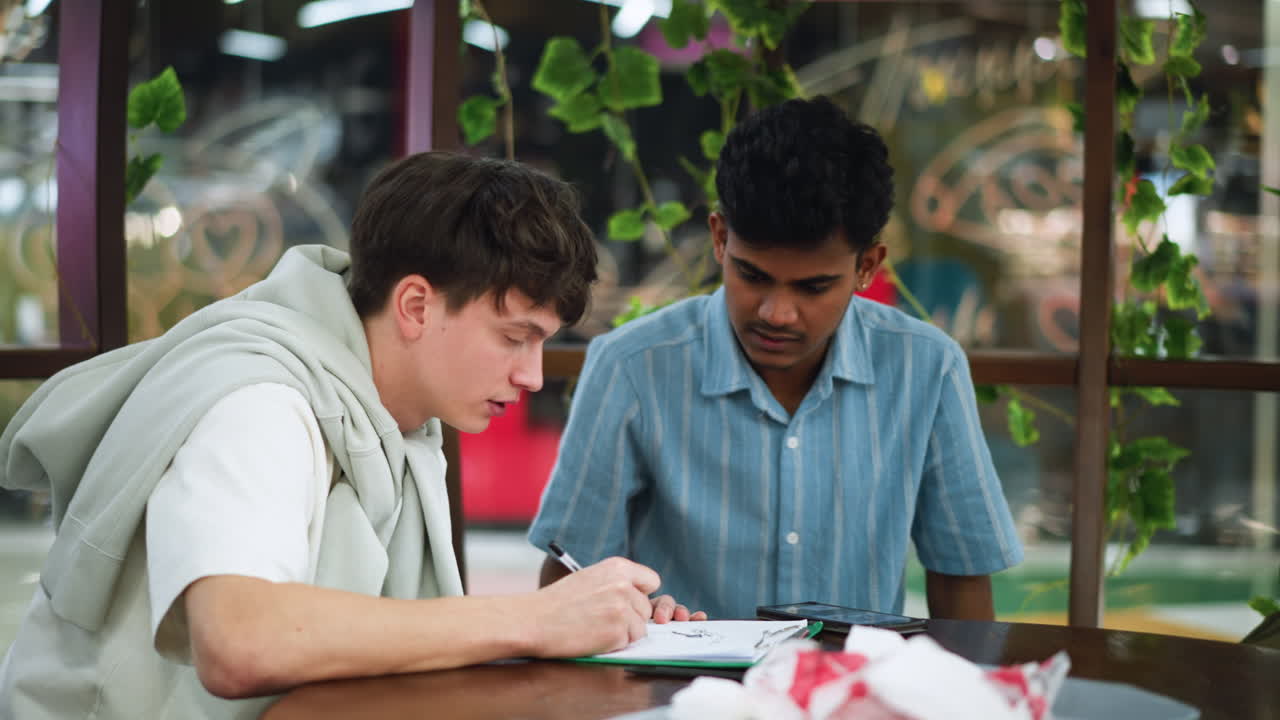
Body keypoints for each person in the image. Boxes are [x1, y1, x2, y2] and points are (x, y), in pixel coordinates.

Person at [0, 152, 702, 720]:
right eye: (515, 338)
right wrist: (538, 620)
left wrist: (601, 624)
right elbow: (240, 641)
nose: (529, 376)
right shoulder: (261, 402)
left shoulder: (394, 413)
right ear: (416, 305)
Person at [528, 97, 1023, 622]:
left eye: (814, 287)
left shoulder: (928, 367)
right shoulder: (631, 367)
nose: (778, 313)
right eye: (753, 275)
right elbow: (570, 577)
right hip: (676, 695)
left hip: (846, 696)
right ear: (720, 240)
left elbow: (963, 579)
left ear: (867, 266)